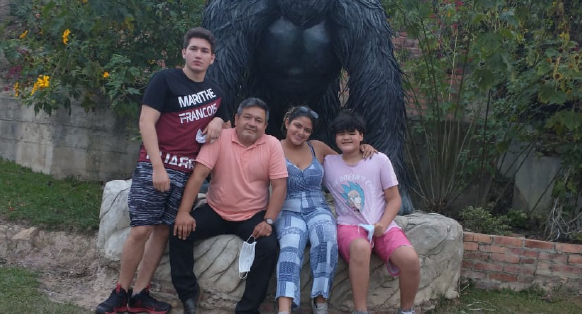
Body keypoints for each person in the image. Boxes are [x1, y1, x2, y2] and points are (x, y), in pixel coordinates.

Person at [96, 27, 229, 314]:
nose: (198, 54)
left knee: (162, 232)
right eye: (193, 48)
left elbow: (226, 126)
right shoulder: (165, 80)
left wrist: (219, 120)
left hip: (188, 173)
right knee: (141, 229)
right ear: (184, 52)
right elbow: (146, 122)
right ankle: (121, 291)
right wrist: (157, 166)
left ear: (212, 59)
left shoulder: (217, 93)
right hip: (155, 166)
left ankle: (141, 293)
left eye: (204, 51)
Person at [170, 97, 288, 314]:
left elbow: (279, 187)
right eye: (248, 117)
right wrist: (184, 212)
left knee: (269, 248)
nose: (252, 123)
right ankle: (188, 293)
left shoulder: (272, 145)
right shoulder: (220, 138)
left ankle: (247, 308)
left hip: (252, 215)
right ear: (236, 119)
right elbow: (199, 176)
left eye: (258, 120)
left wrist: (268, 220)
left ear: (265, 126)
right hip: (215, 210)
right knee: (179, 231)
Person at [275, 106, 377, 314]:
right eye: (297, 126)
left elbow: (346, 162)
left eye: (307, 129)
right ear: (287, 123)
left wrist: (363, 147)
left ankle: (320, 301)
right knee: (290, 245)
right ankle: (284, 308)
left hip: (317, 207)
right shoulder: (272, 147)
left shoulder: (317, 147)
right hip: (287, 209)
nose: (301, 132)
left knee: (327, 239)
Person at [322, 111, 420, 314]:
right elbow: (308, 148)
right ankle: (360, 310)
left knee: (410, 260)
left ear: (361, 136)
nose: (346, 137)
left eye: (352, 132)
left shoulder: (379, 160)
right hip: (350, 226)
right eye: (341, 133)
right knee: (360, 247)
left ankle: (407, 310)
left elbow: (394, 199)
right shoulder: (329, 163)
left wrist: (383, 224)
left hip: (382, 225)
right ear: (335, 137)